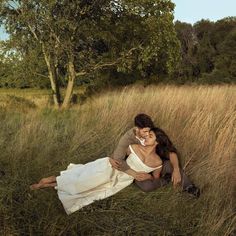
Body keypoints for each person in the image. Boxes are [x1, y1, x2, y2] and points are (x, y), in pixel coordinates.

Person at [30, 129, 164, 215]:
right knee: (84, 179)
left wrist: (149, 177)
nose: (146, 136)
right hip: (114, 168)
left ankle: (50, 184)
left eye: (150, 136)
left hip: (122, 180)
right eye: (146, 134)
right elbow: (116, 158)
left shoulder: (158, 162)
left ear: (157, 142)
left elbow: (155, 179)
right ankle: (50, 180)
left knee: (91, 191)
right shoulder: (134, 147)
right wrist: (114, 161)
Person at [109, 114, 200, 197]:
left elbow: (172, 152)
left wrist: (176, 169)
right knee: (146, 186)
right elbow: (118, 157)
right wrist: (135, 173)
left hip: (156, 164)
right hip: (136, 167)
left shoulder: (155, 135)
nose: (147, 134)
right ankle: (164, 180)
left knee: (171, 165)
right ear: (137, 129)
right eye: (145, 132)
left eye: (149, 132)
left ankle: (189, 187)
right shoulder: (128, 138)